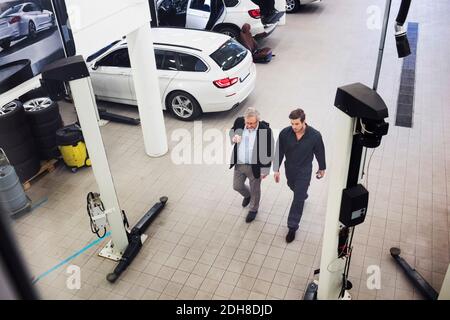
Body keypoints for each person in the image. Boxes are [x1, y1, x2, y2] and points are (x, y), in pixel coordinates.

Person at [273, 108, 326, 243]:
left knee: (297, 199)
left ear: (303, 121)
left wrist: (322, 168)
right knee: (292, 186)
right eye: (292, 123)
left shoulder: (315, 135)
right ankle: (303, 194)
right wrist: (276, 169)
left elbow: (320, 152)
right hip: (290, 168)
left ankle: (292, 226)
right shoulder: (285, 133)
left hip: (304, 170)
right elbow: (279, 151)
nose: (294, 127)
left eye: (296, 124)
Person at [230, 108, 274, 223]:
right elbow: (232, 131)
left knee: (255, 189)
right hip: (240, 163)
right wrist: (233, 137)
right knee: (237, 186)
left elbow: (269, 151)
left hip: (255, 166)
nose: (248, 125)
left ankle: (253, 209)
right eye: (247, 123)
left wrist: (265, 169)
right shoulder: (239, 121)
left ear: (257, 121)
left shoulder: (265, 130)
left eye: (251, 123)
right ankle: (247, 195)